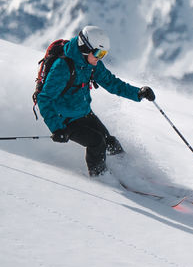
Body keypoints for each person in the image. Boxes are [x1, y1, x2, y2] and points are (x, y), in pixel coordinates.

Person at [36, 26, 156, 177]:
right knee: (97, 142)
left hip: (84, 113)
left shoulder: (92, 64)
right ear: (84, 47)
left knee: (111, 143)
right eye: (98, 53)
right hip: (64, 119)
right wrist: (56, 128)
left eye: (103, 54)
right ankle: (101, 179)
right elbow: (44, 98)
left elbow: (112, 83)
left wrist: (138, 93)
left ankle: (131, 174)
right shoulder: (62, 67)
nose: (100, 58)